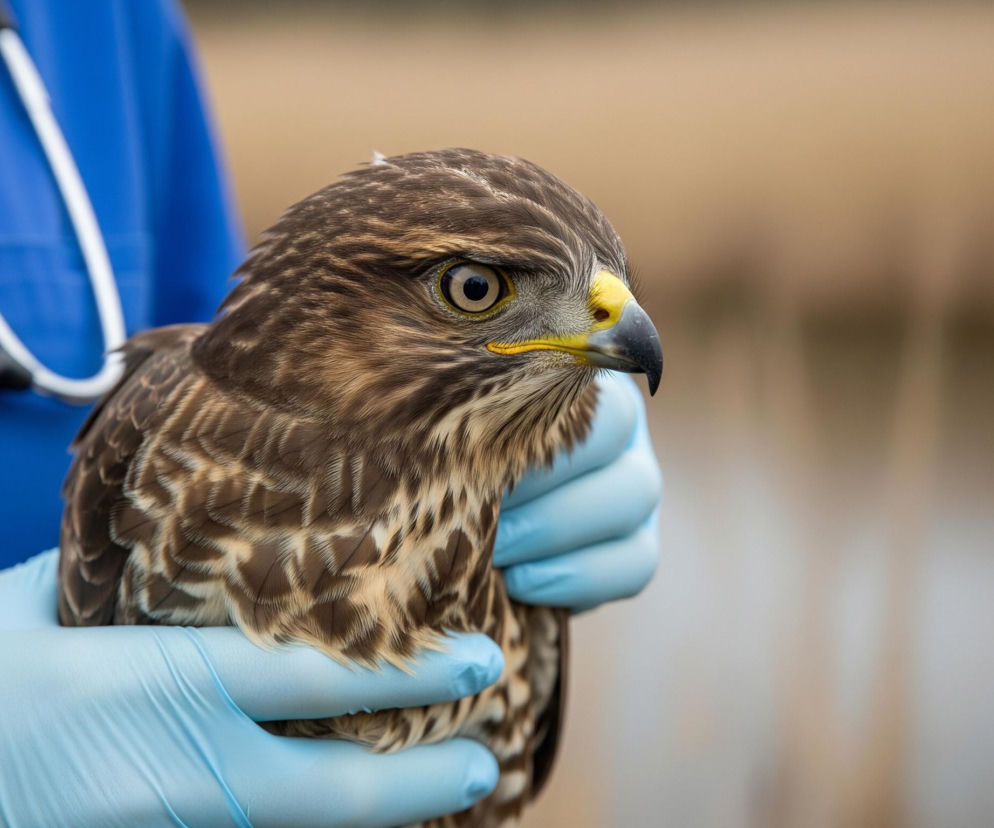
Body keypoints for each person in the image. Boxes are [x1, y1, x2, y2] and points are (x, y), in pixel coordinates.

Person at [0, 1, 662, 825]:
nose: (614, 321)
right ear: (330, 310)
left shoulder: (105, 21)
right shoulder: (165, 442)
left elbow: (209, 306)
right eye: (475, 291)